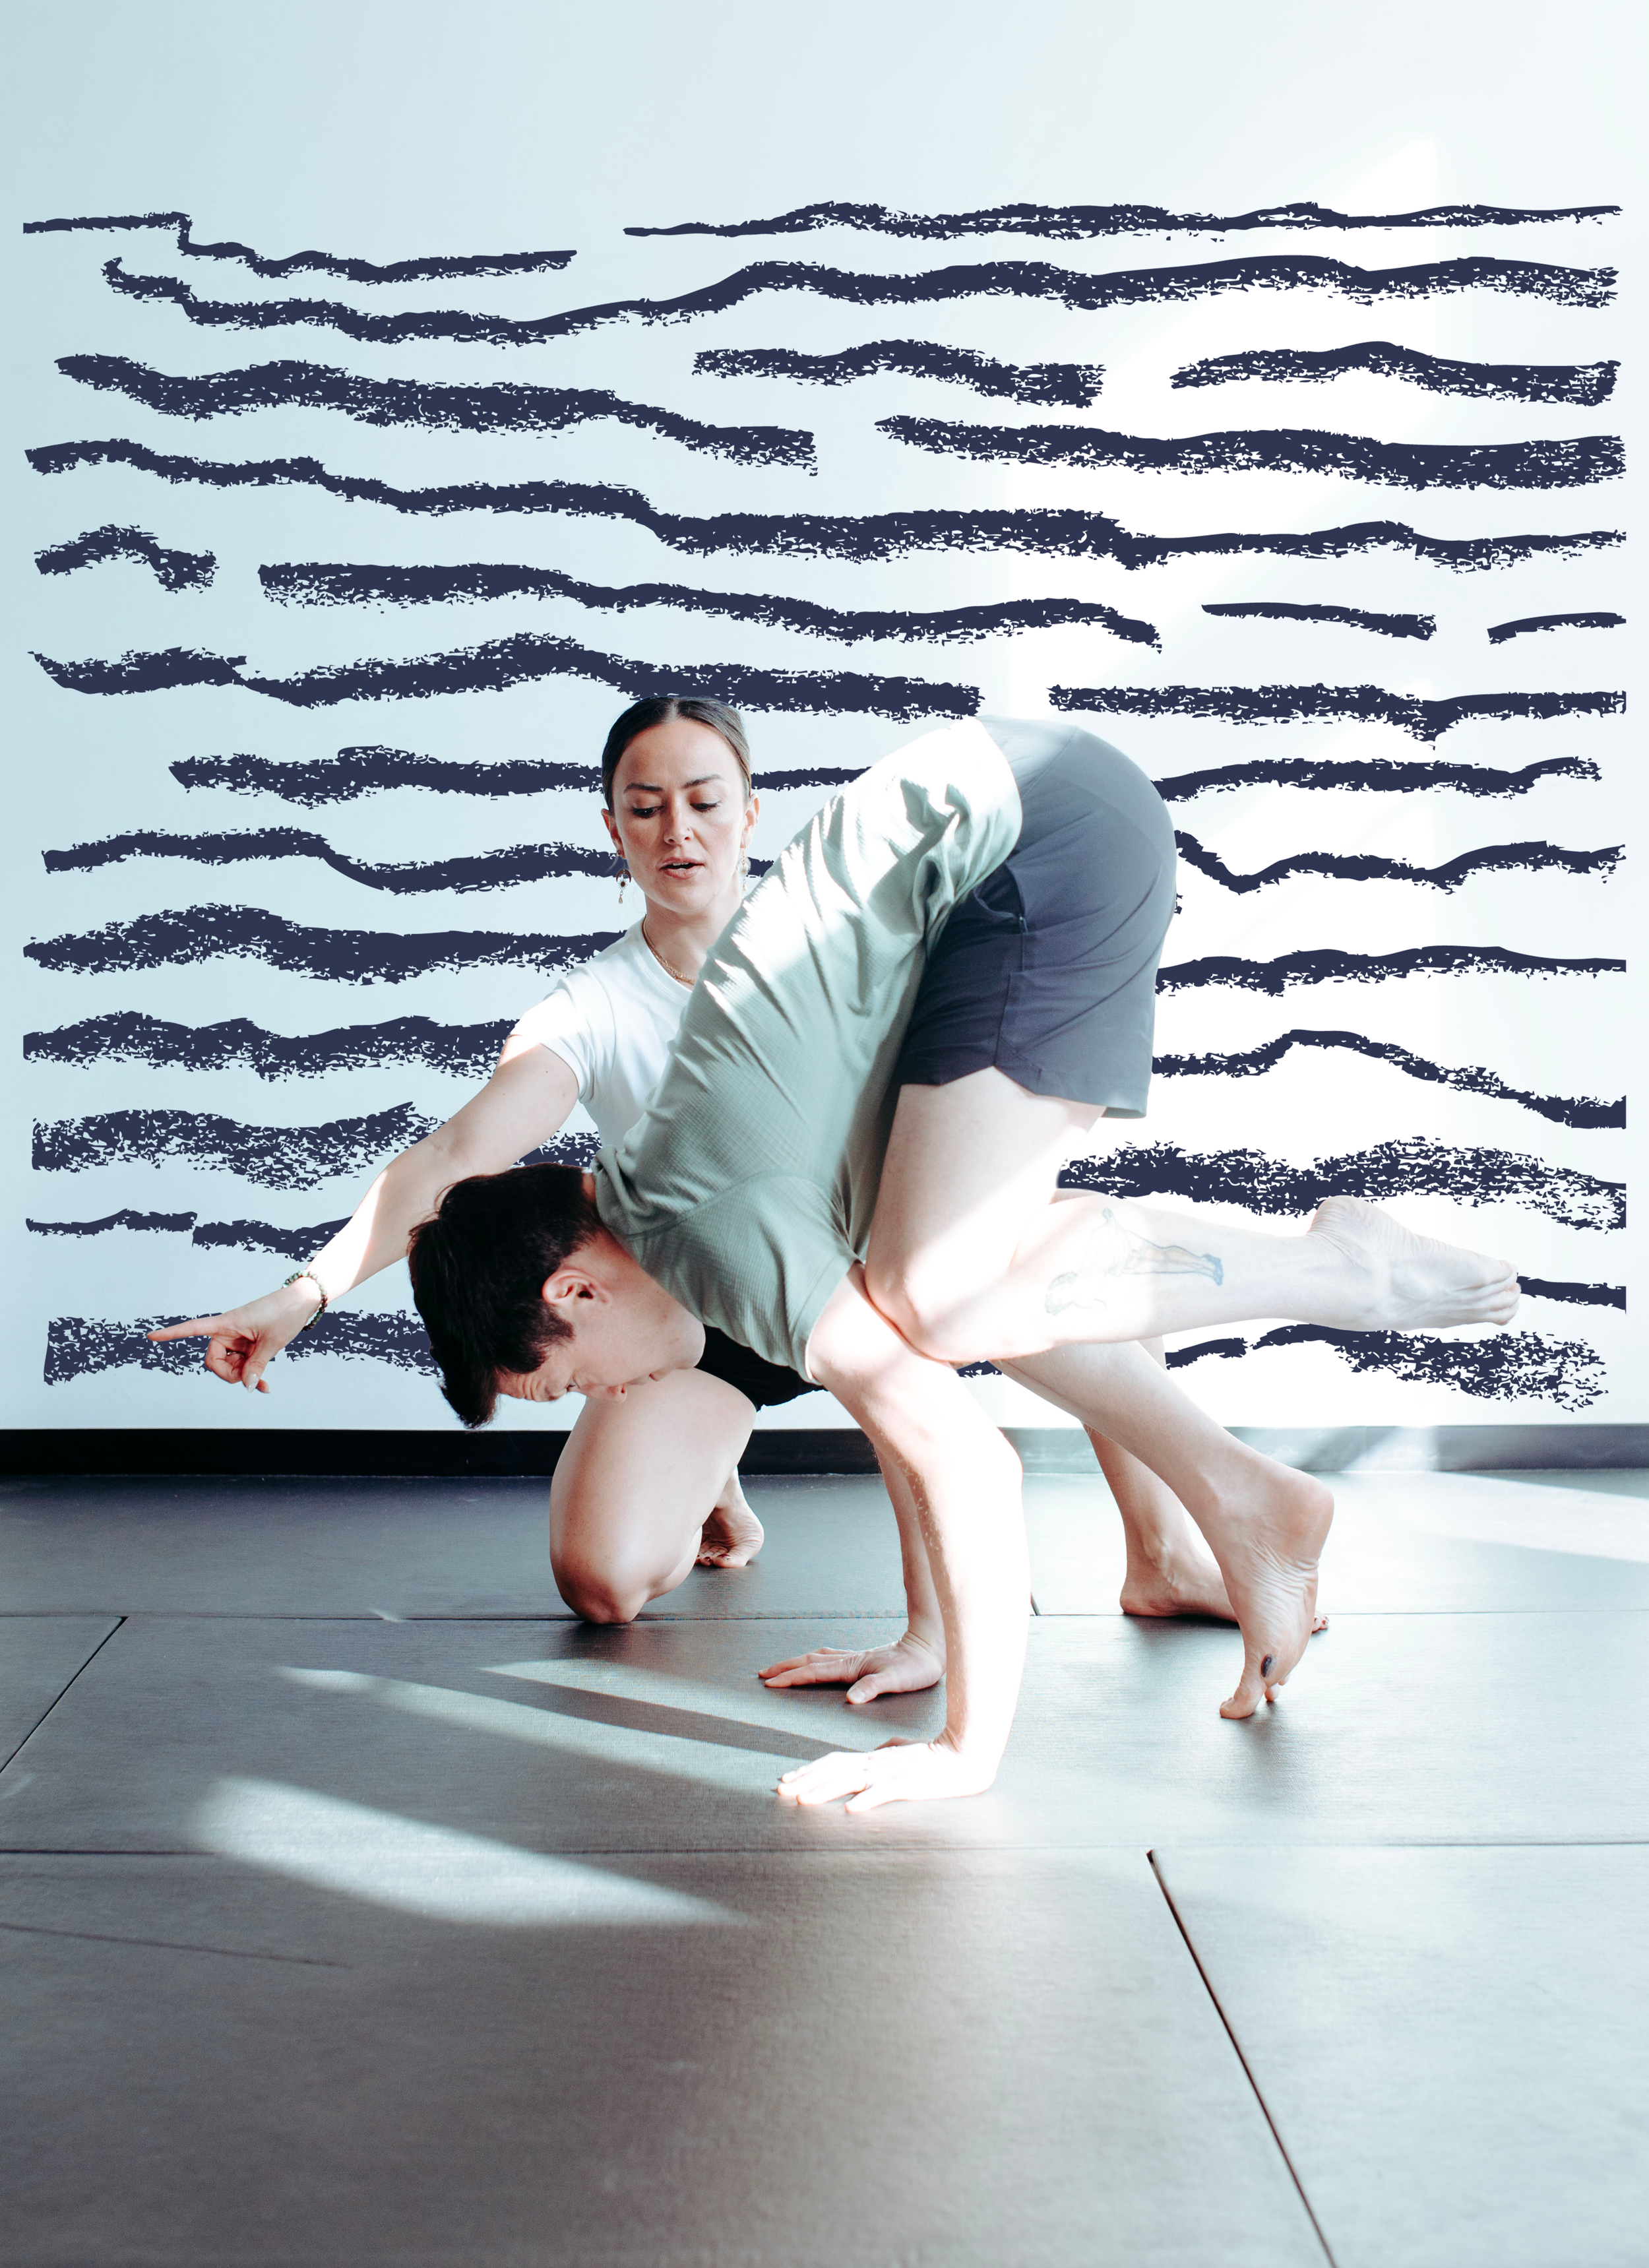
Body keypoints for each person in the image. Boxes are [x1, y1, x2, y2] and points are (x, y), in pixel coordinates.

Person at [408, 715, 1520, 1811]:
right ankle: (1244, 1495)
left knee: (938, 1296)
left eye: (566, 1380)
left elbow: (967, 1459)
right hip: (1026, 827)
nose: (603, 1396)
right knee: (933, 1287)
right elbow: (894, 1387)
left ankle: (1346, 1272)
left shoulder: (713, 1230)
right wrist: (929, 1632)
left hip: (1033, 842)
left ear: (574, 1289)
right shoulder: (659, 1189)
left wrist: (965, 1749)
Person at [150, 695, 1247, 1658]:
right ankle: (710, 1479)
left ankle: (1163, 1552)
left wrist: (929, 1638)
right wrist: (306, 1294)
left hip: (867, 1269)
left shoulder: (847, 934)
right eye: (645, 804)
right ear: (614, 828)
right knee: (603, 1585)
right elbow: (451, 1162)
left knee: (1017, 1266)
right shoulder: (587, 1012)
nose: (679, 828)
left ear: (750, 812)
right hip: (695, 1310)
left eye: (706, 799)